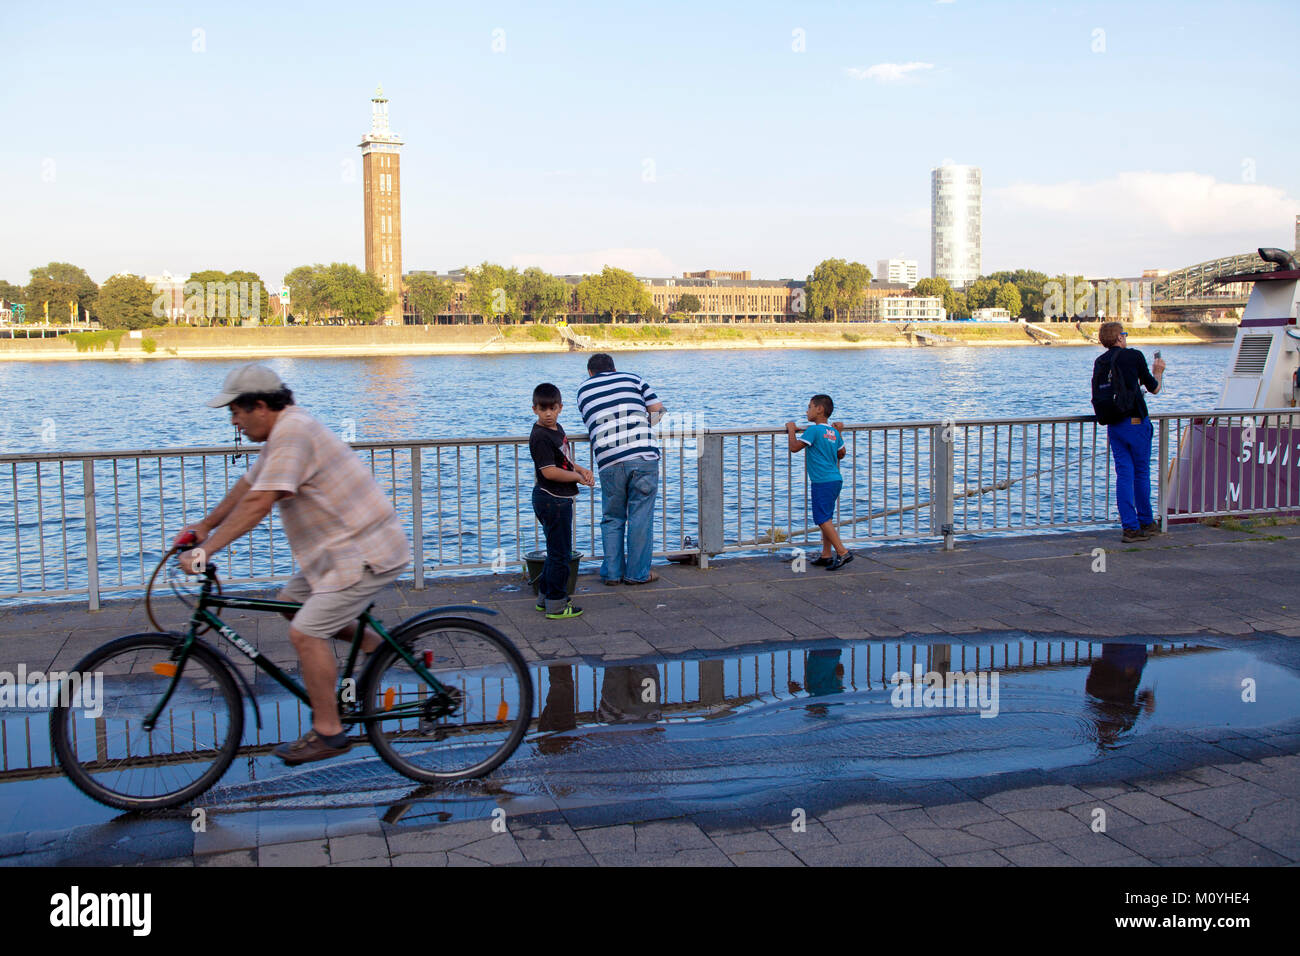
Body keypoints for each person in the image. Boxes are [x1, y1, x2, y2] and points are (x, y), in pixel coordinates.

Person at [174, 364, 410, 765]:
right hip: (336, 553)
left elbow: (259, 503)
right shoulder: (282, 433)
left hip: (364, 550)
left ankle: (329, 732)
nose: (233, 420)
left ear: (261, 406)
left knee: (305, 633)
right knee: (289, 603)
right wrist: (205, 525)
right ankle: (376, 645)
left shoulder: (293, 433)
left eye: (236, 411)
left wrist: (206, 551)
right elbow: (249, 485)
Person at [574, 354, 665, 585]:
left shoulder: (583, 389)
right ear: (614, 369)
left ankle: (612, 574)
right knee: (640, 517)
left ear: (590, 372)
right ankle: (637, 574)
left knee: (612, 517)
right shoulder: (633, 379)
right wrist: (642, 426)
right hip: (643, 455)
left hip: (609, 460)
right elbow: (658, 409)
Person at [1092, 321, 1165, 542]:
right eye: (1124, 334)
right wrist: (1158, 371)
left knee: (1124, 474)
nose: (1125, 337)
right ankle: (1146, 521)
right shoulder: (1133, 356)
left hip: (1114, 424)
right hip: (1135, 422)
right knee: (1141, 473)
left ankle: (1130, 528)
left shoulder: (1100, 361)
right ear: (1120, 338)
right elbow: (1154, 388)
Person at [529, 382, 594, 619]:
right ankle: (556, 604)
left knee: (556, 550)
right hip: (552, 499)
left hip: (557, 498)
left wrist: (580, 469)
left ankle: (545, 598)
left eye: (552, 408)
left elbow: (562, 461)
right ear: (534, 409)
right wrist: (578, 478)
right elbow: (550, 472)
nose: (548, 413)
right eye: (543, 408)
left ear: (560, 408)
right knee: (560, 554)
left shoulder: (556, 430)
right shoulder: (541, 437)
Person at [786, 395, 852, 570]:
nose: (806, 411)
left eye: (809, 407)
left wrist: (791, 429)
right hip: (835, 479)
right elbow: (842, 453)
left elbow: (794, 448)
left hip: (822, 481)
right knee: (827, 517)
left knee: (822, 519)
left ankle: (843, 552)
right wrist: (839, 433)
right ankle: (826, 554)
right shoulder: (832, 432)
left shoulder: (813, 431)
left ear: (819, 409)